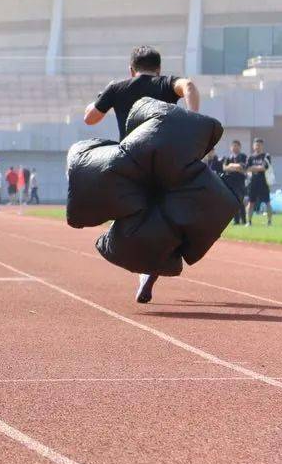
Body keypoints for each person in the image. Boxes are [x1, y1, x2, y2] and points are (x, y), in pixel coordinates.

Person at [84, 45, 200, 304]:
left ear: (131, 69)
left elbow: (90, 119)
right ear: (158, 69)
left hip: (130, 162)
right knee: (164, 214)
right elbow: (189, 86)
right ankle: (151, 269)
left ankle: (141, 269)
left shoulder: (118, 87)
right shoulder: (167, 84)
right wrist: (193, 120)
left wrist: (97, 101)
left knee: (128, 215)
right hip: (164, 161)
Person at [245, 138, 272, 227]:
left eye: (259, 145)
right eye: (256, 145)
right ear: (253, 146)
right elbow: (246, 168)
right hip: (253, 183)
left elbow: (264, 168)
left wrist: (253, 168)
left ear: (262, 146)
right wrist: (258, 167)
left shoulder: (266, 156)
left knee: (267, 202)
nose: (258, 147)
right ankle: (249, 222)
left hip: (264, 182)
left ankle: (269, 222)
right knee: (251, 202)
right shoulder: (250, 157)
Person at [221, 140, 248, 225]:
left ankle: (244, 220)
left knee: (240, 201)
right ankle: (236, 221)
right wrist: (234, 167)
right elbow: (224, 168)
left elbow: (242, 166)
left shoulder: (242, 156)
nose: (234, 148)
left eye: (236, 146)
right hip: (231, 183)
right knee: (233, 202)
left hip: (240, 182)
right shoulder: (228, 158)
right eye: (233, 146)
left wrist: (231, 166)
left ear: (239, 147)